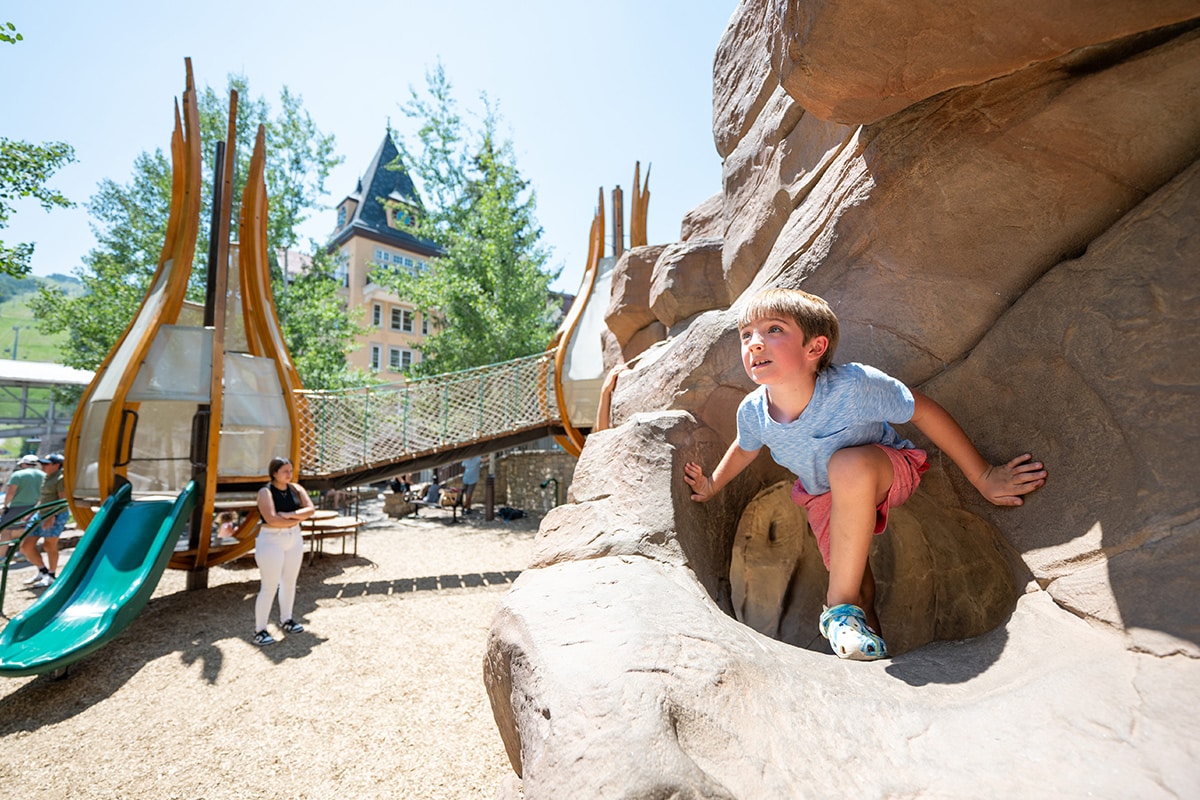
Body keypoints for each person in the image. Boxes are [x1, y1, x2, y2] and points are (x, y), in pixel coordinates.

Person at [683, 288, 1047, 661]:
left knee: (846, 466)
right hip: (823, 497)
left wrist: (983, 475)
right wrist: (712, 484)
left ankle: (836, 612)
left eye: (773, 330)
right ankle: (868, 647)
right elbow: (745, 447)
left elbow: (922, 410)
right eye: (746, 335)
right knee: (858, 586)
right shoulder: (753, 412)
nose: (755, 344)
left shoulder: (852, 386)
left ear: (815, 348)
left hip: (884, 470)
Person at [253, 457, 315, 646]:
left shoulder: (297, 489)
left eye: (291, 470)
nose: (289, 474)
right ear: (274, 473)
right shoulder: (266, 492)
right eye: (285, 471)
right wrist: (298, 516)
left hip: (294, 538)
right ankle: (260, 630)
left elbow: (310, 509)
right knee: (269, 586)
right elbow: (271, 519)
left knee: (289, 582)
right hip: (271, 540)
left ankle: (286, 620)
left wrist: (289, 516)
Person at [21, 453, 66, 587]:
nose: (42, 466)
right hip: (41, 513)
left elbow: (62, 500)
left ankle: (51, 575)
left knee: (49, 545)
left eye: (46, 464)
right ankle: (43, 571)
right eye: (42, 463)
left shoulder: (61, 478)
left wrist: (52, 516)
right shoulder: (47, 477)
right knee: (26, 546)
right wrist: (33, 511)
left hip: (55, 515)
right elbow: (44, 497)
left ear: (56, 465)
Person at [1, 454, 45, 561]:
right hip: (34, 507)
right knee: (25, 530)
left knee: (6, 531)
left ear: (24, 464)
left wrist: (5, 506)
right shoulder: (43, 475)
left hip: (17, 506)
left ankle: (1, 557)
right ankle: (22, 554)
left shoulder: (18, 475)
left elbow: (11, 493)